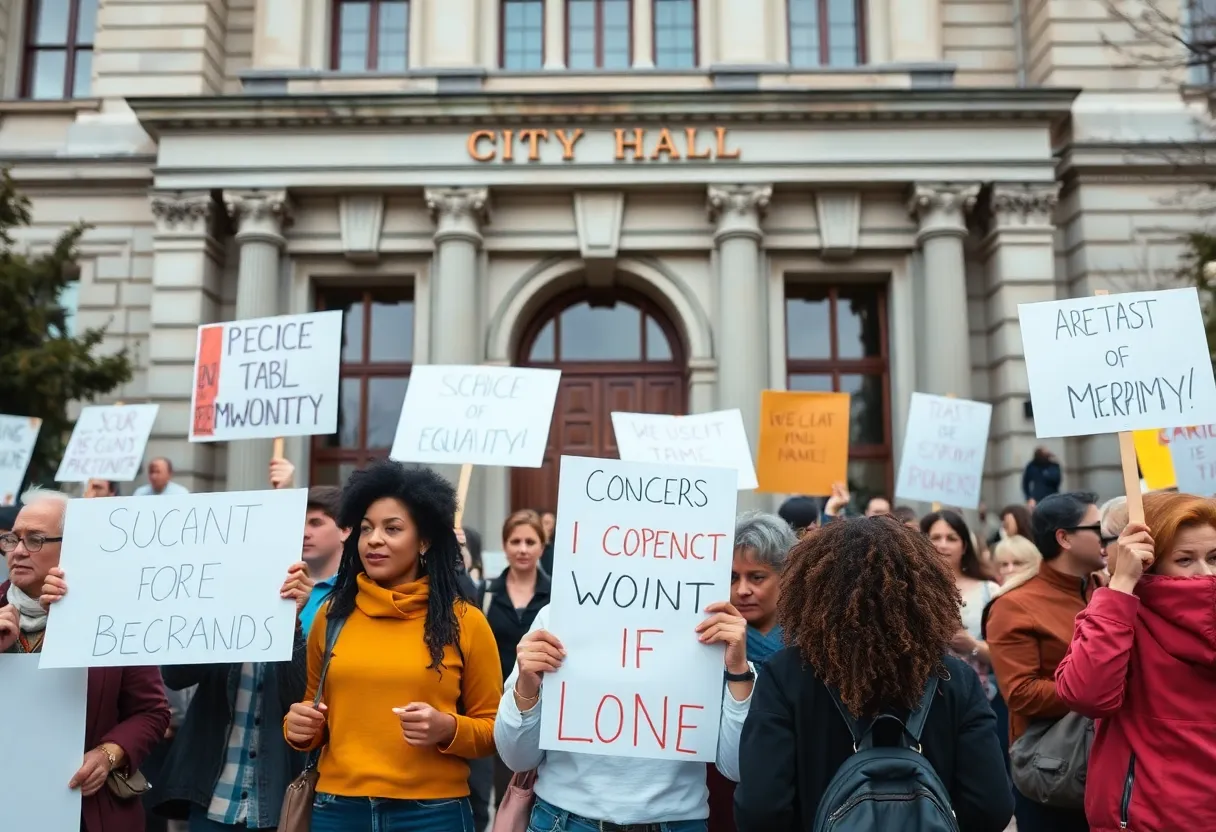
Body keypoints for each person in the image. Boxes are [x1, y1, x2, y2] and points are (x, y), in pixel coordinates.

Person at [733, 517, 1013, 832]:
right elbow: (992, 806)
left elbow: (760, 810)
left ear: (811, 588)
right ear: (924, 589)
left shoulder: (785, 676)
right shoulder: (955, 679)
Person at [283, 461, 501, 831]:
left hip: (433, 814)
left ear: (424, 541)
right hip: (337, 811)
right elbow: (314, 712)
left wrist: (447, 728)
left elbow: (495, 731)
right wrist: (298, 726)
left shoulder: (466, 622)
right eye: (366, 529)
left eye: (392, 528)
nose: (374, 540)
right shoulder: (331, 616)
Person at [495, 585, 754, 831]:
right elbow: (517, 758)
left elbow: (737, 767)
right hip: (564, 820)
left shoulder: (709, 625)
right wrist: (527, 686)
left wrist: (739, 670)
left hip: (677, 822)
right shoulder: (556, 618)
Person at [147, 463, 315, 832]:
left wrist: (293, 623)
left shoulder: (308, 611)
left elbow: (297, 694)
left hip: (276, 805)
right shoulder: (212, 605)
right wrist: (217, 612)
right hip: (212, 802)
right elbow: (175, 676)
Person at [2, 487, 171, 832]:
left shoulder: (110, 615)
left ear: (73, 545)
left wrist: (109, 754)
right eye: (12, 539)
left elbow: (152, 712)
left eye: (35, 540)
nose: (18, 552)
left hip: (82, 809)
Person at [1055, 491, 1216, 832]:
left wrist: (1120, 586)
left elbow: (1084, 694)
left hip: (1148, 811)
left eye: (1214, 557)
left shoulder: (1117, 608)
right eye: (1185, 560)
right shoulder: (1125, 613)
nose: (1205, 573)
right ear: (1151, 562)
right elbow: (1088, 695)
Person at [986, 491, 1104, 832]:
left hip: (1113, 762)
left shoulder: (1108, 589)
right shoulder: (1015, 605)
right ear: (1064, 538)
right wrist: (1095, 690)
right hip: (1056, 772)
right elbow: (1021, 694)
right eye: (1097, 528)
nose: (1109, 536)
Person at [708, 511, 798, 832]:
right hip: (718, 799)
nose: (742, 589)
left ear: (786, 577)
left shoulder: (811, 645)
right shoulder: (707, 641)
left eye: (756, 577)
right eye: (732, 577)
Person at [481, 509, 550, 806]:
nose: (522, 549)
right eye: (515, 541)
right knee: (505, 795)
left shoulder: (558, 596)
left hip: (543, 706)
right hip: (496, 705)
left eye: (530, 542)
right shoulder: (484, 593)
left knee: (542, 792)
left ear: (542, 547)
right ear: (505, 545)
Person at [297, 485, 348, 639]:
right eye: (299, 523)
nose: (304, 533)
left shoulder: (357, 591)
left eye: (316, 523)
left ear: (345, 530)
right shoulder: (280, 585)